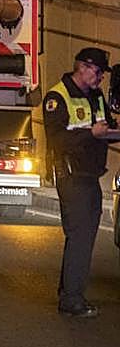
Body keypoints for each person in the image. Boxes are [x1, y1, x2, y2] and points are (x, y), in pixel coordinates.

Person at [45, 47, 119, 317]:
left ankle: (69, 292)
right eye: (98, 72)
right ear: (83, 67)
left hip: (91, 176)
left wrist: (113, 131)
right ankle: (71, 299)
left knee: (84, 237)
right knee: (80, 236)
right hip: (72, 175)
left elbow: (104, 129)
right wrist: (91, 133)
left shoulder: (97, 97)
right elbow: (57, 140)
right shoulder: (57, 97)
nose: (101, 78)